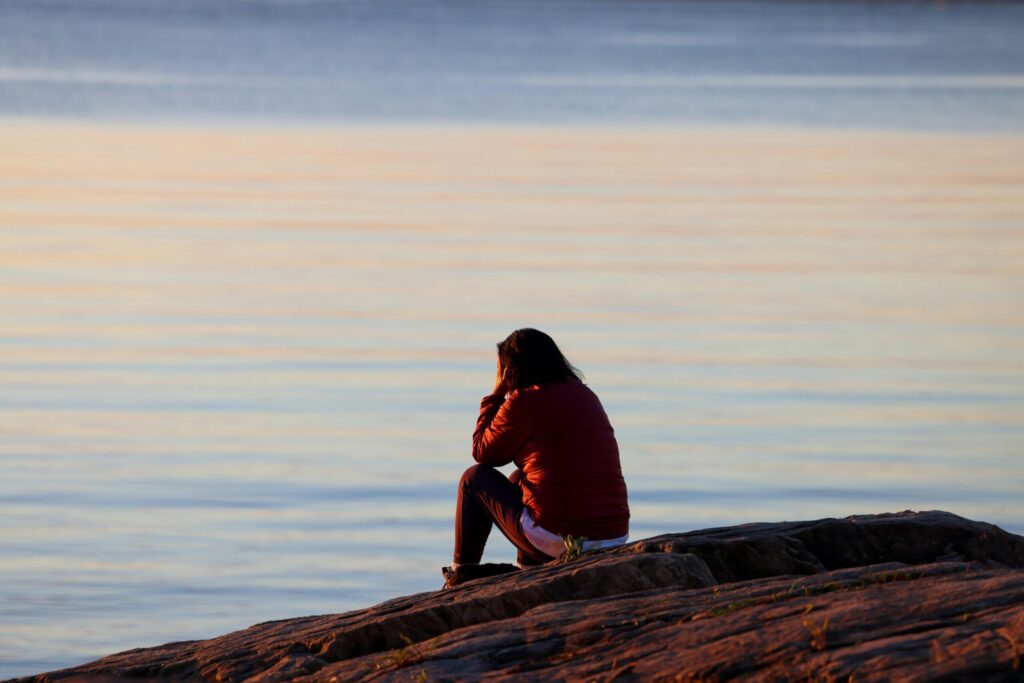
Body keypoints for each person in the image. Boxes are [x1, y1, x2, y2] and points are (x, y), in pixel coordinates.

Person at [444, 328, 630, 587]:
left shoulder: (525, 401)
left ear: (510, 370)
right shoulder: (586, 395)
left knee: (473, 478)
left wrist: (497, 395)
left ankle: (459, 573)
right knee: (519, 478)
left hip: (563, 539)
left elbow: (483, 452)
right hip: (613, 536)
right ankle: (528, 571)